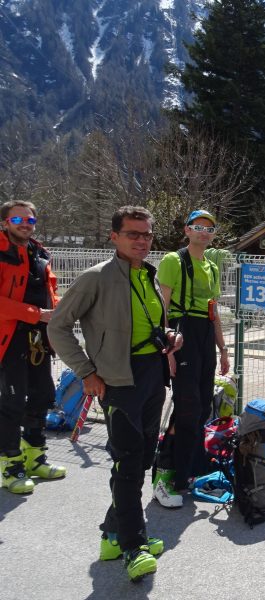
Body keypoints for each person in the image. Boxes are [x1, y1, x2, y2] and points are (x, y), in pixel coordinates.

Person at [48, 206, 183, 582]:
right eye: (133, 234)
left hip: (151, 375)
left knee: (140, 460)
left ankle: (112, 535)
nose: (142, 241)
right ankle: (133, 546)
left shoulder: (150, 275)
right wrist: (86, 372)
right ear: (114, 236)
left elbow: (149, 324)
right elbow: (58, 327)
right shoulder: (96, 278)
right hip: (116, 380)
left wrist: (169, 338)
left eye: (147, 235)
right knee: (127, 462)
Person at [152, 209, 229, 508]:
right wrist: (167, 350)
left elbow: (214, 311)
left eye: (209, 229)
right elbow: (163, 306)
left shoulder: (211, 265)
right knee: (187, 408)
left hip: (205, 334)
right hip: (182, 332)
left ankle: (187, 472)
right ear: (186, 230)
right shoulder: (174, 260)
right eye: (197, 227)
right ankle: (166, 474)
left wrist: (222, 349)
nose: (204, 233)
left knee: (200, 409)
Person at [0, 200, 66, 495]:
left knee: (41, 396)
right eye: (17, 220)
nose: (25, 224)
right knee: (11, 404)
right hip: (8, 339)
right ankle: (10, 466)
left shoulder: (40, 253)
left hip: (39, 338)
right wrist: (35, 314)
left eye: (30, 219)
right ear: (5, 223)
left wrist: (62, 309)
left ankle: (34, 457)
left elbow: (49, 294)